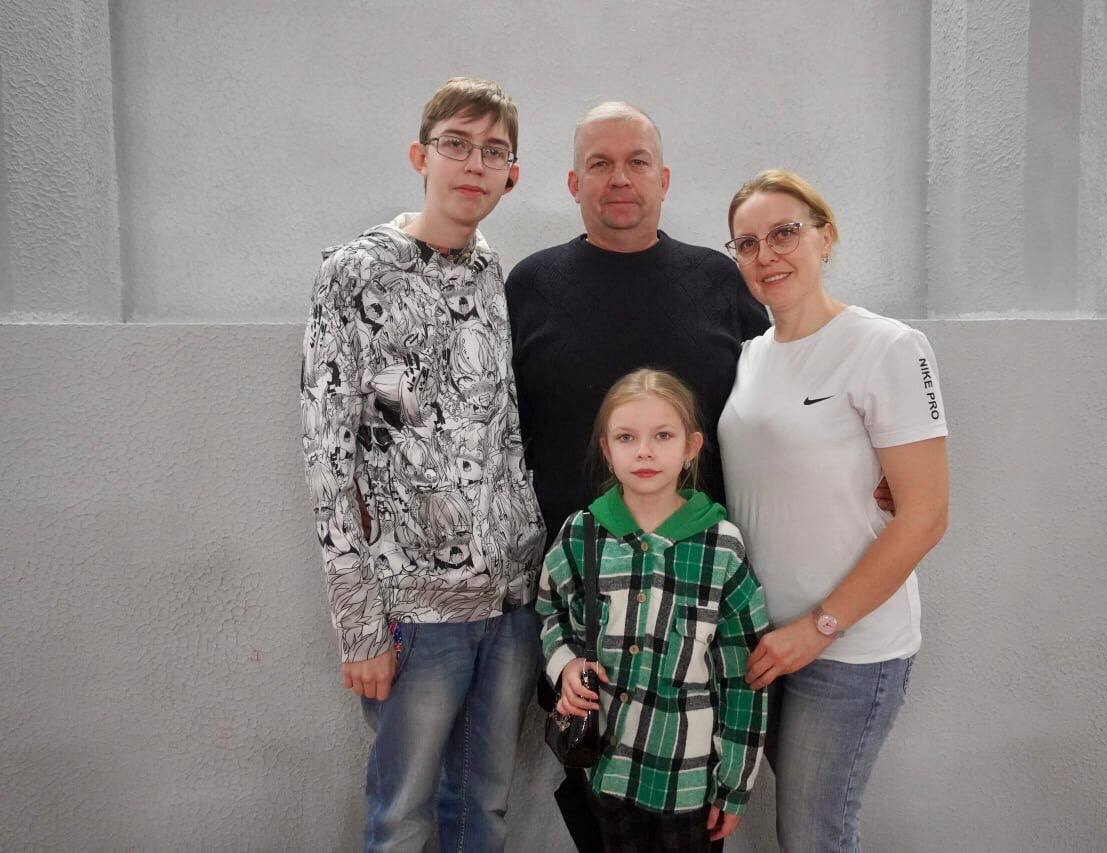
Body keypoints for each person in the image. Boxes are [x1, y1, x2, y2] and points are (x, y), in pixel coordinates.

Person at [503, 101, 770, 850]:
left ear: (664, 178)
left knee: (684, 816)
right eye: (600, 163)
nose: (619, 178)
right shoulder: (531, 285)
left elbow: (781, 391)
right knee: (597, 793)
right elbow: (491, 424)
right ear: (572, 183)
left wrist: (870, 460)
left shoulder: (717, 280)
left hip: (692, 610)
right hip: (580, 595)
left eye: (636, 162)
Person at [300, 77, 545, 852]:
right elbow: (327, 456)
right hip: (415, 613)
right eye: (456, 145)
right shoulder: (355, 272)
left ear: (512, 174)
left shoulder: (492, 274)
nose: (474, 164)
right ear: (420, 156)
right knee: (401, 815)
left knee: (484, 807)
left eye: (493, 151)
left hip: (510, 602)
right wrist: (359, 627)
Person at [717, 170, 950, 852]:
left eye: (785, 233)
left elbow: (926, 514)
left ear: (826, 237)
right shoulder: (749, 357)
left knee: (814, 834)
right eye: (747, 243)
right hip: (765, 644)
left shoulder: (887, 347)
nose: (766, 254)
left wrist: (819, 627)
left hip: (847, 646)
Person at [537, 369, 770, 852]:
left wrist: (734, 783)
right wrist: (566, 666)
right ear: (607, 449)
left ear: (691, 447)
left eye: (663, 435)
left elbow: (742, 675)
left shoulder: (721, 547)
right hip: (606, 771)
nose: (644, 451)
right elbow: (551, 612)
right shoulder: (581, 534)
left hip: (687, 782)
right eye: (627, 437)